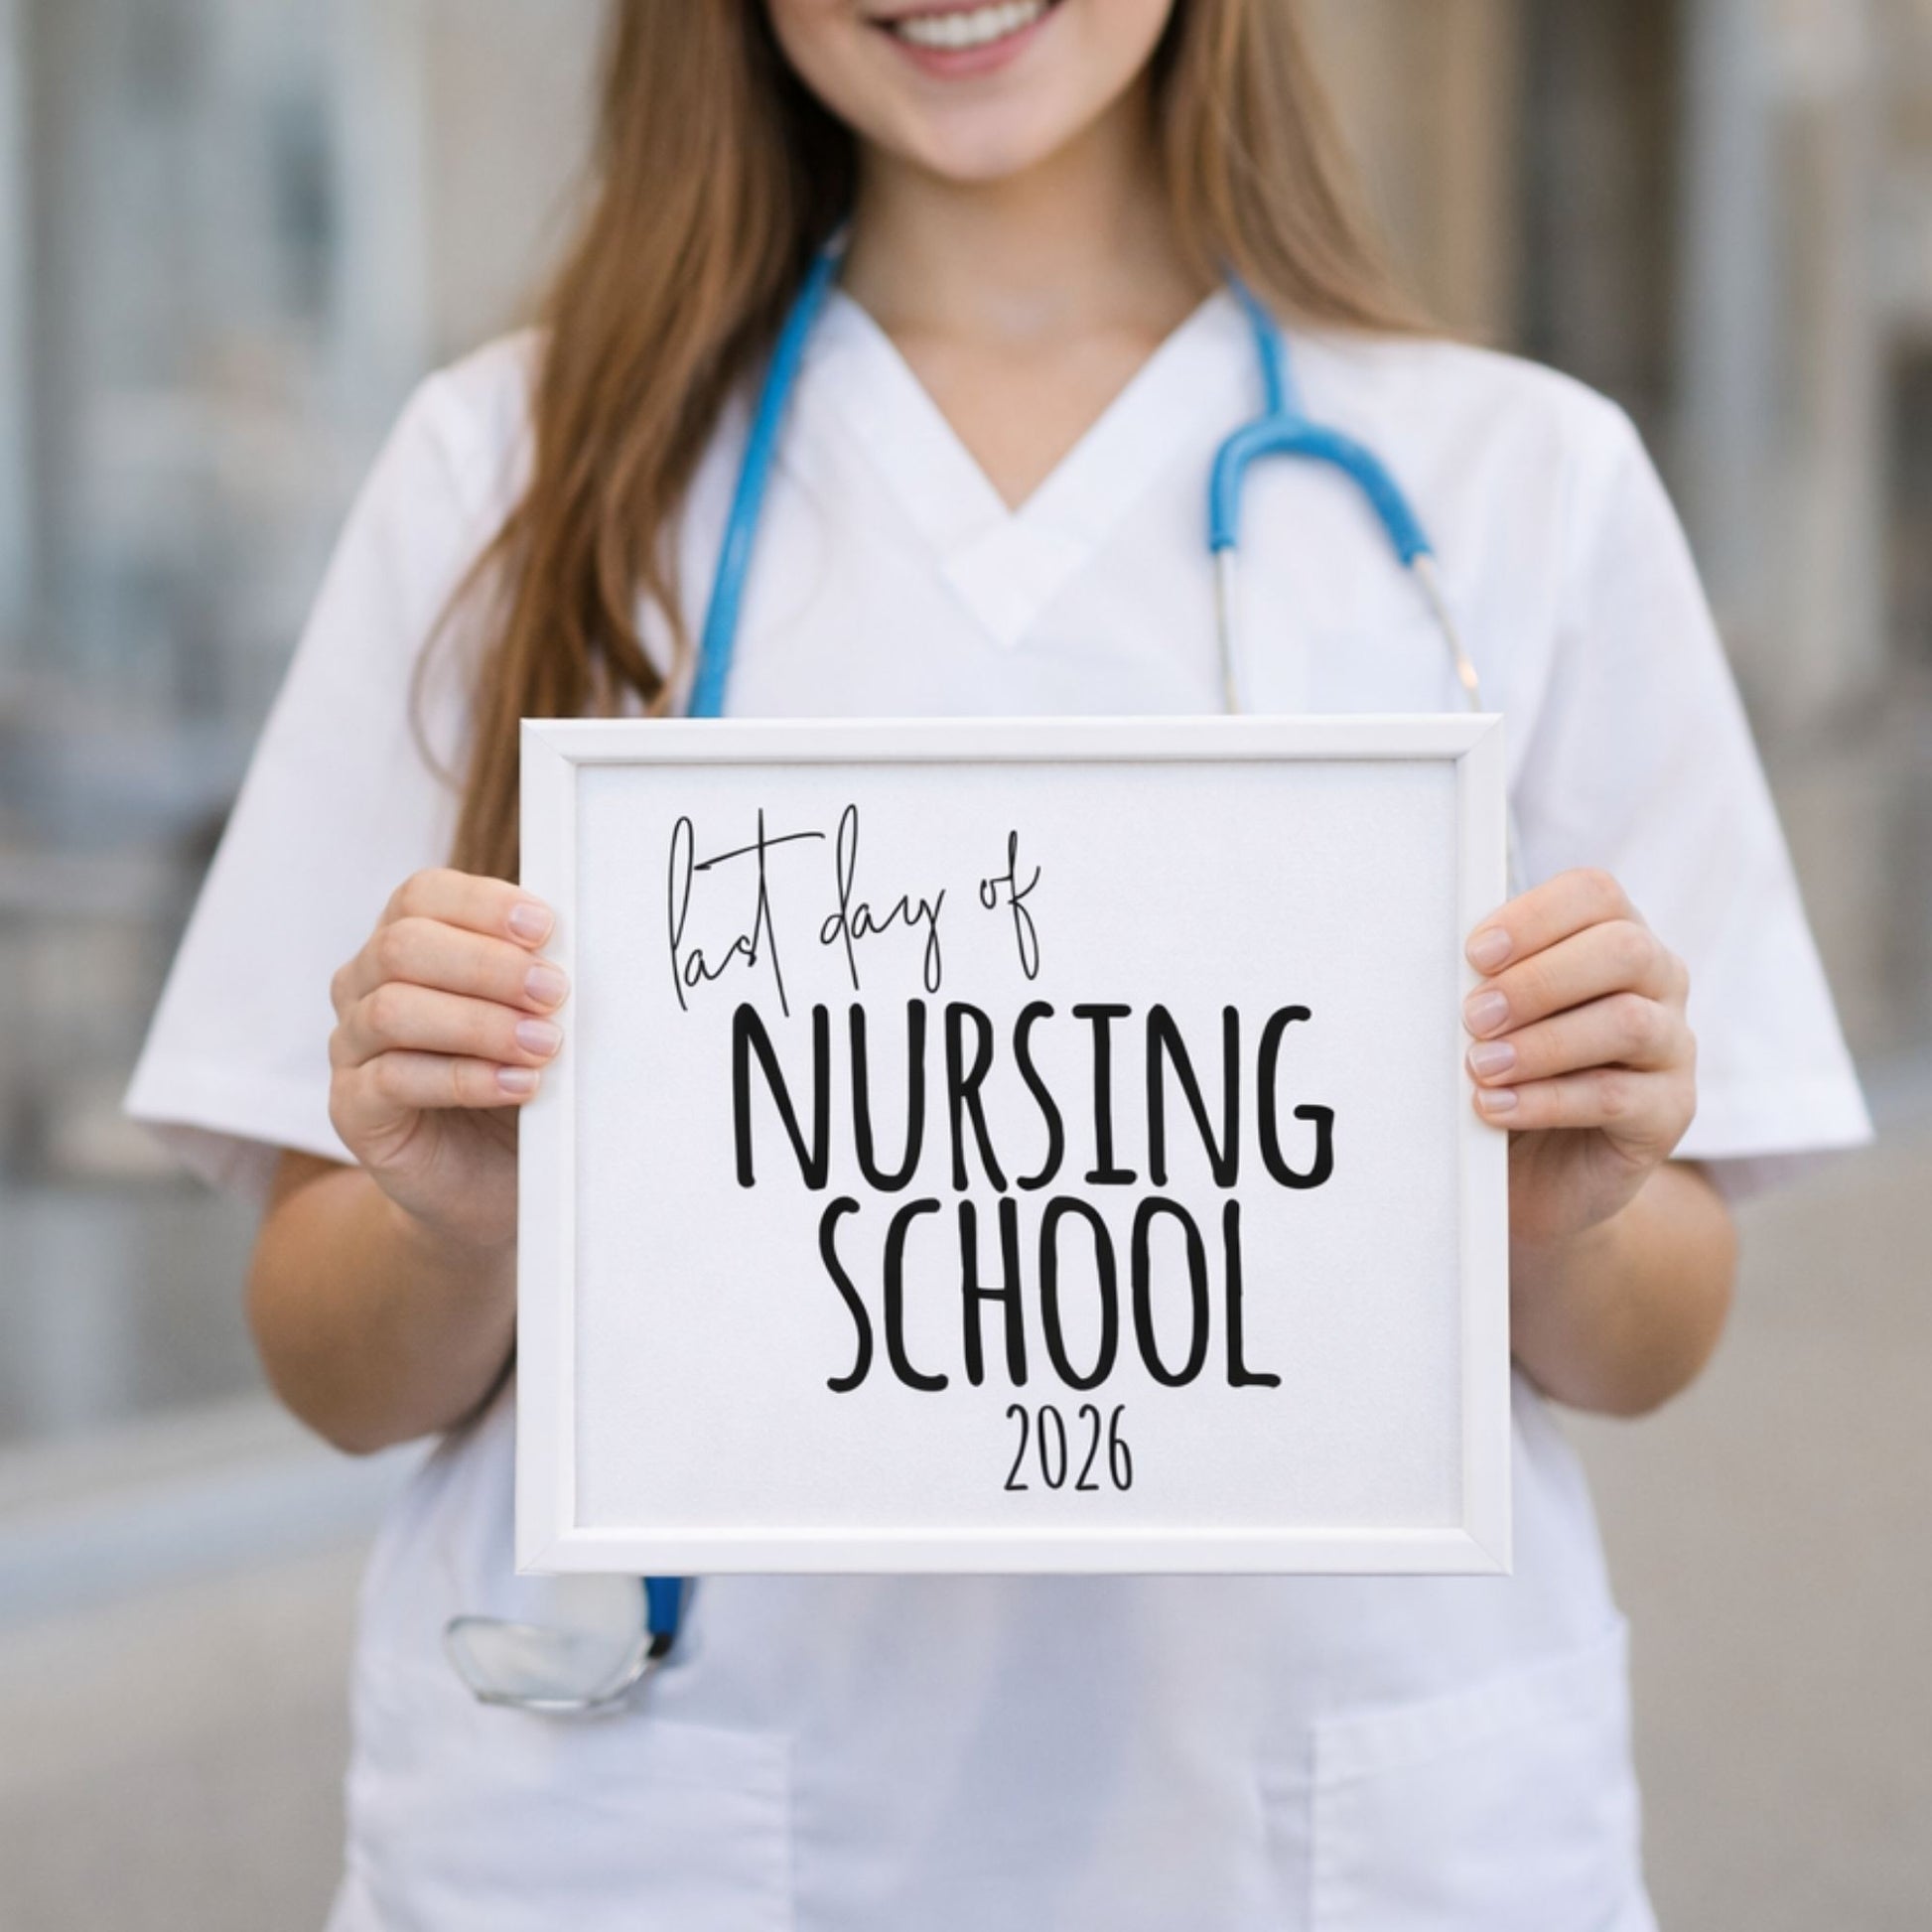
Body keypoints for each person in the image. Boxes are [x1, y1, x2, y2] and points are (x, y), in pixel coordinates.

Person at [125, 2, 1870, 1926]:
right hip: (670, 1813)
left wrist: (1553, 1212)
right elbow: (333, 1366)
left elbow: (1650, 1336)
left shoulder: (1518, 478)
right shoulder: (510, 466)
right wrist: (459, 1221)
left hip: (1324, 1824)